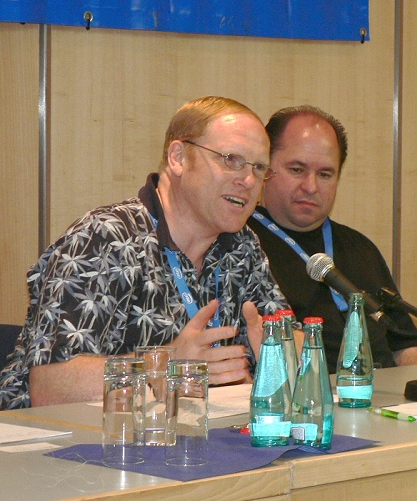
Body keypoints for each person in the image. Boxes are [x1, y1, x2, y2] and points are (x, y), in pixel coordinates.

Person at [0, 96, 289, 409]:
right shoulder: (106, 237)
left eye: (259, 168)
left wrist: (279, 354)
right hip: (53, 434)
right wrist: (166, 364)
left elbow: (293, 339)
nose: (248, 180)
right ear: (178, 158)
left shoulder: (242, 245)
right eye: (231, 159)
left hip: (183, 430)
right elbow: (50, 388)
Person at [247, 106, 417, 372]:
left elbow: (404, 345)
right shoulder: (239, 246)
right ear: (265, 167)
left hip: (379, 391)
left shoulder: (360, 247)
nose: (311, 186)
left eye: (325, 174)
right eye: (297, 169)